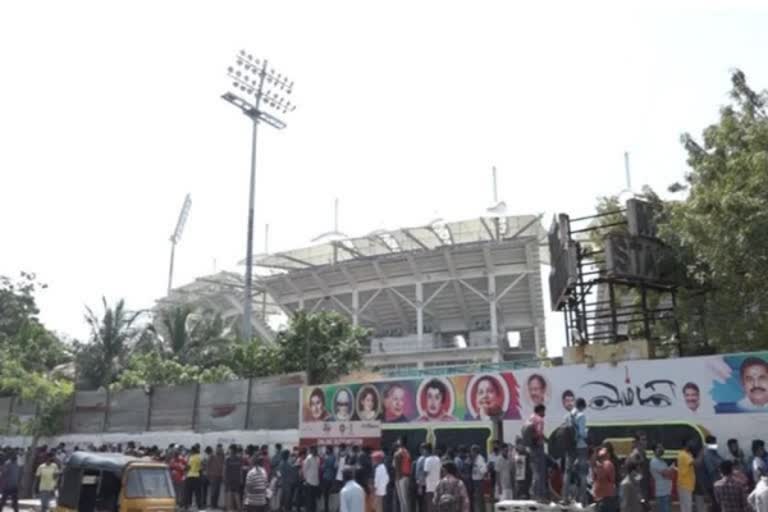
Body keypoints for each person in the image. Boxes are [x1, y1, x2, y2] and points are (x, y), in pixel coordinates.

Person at [525, 404, 547, 500]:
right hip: (538, 447)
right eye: (544, 411)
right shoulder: (539, 420)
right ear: (540, 410)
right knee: (540, 472)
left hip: (531, 448)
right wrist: (545, 440)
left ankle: (533, 493)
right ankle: (539, 495)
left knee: (534, 471)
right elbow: (539, 433)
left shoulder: (530, 418)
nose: (544, 413)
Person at [571, 398, 588, 505]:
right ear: (582, 406)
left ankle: (572, 498)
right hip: (581, 446)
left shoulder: (568, 415)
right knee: (583, 474)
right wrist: (587, 432)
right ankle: (583, 500)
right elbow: (582, 433)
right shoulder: (581, 416)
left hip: (571, 447)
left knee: (571, 474)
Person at [591, 447, 617, 512]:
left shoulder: (595, 466)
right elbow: (612, 479)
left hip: (598, 495)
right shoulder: (609, 464)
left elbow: (593, 478)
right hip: (607, 495)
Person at [650, 444, 674, 512]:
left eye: (662, 447)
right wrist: (672, 468)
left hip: (667, 491)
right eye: (659, 448)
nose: (662, 449)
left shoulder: (662, 461)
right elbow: (667, 474)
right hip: (662, 493)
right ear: (654, 451)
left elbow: (671, 476)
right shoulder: (654, 461)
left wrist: (670, 471)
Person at [677, 440, 697, 512]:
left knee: (684, 508)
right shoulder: (684, 455)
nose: (692, 445)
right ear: (687, 445)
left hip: (684, 485)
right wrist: (702, 452)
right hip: (685, 485)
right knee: (687, 508)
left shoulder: (685, 454)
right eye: (691, 444)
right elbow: (696, 463)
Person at [393, 438, 412, 512]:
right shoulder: (407, 452)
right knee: (406, 499)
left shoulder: (397, 453)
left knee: (402, 500)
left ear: (400, 443)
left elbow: (396, 466)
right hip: (407, 476)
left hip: (400, 477)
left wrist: (397, 478)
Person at [225, 445, 244, 512]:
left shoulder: (229, 459)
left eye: (230, 449)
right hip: (233, 479)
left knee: (233, 495)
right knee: (234, 494)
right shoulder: (236, 458)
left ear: (232, 450)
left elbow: (240, 470)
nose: (229, 451)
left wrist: (225, 479)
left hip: (233, 480)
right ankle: (234, 509)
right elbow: (241, 470)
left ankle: (233, 509)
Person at [424, 444, 442, 512]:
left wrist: (420, 483)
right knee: (437, 505)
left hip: (430, 486)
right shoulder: (438, 459)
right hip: (438, 485)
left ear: (426, 450)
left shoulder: (427, 460)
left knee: (430, 505)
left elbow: (426, 473)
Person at [186, 444, 204, 511]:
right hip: (197, 476)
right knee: (198, 492)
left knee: (189, 492)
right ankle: (199, 506)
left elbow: (188, 467)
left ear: (193, 451)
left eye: (191, 451)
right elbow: (202, 467)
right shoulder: (200, 457)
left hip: (190, 476)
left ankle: (189, 505)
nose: (190, 452)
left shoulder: (191, 457)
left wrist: (185, 469)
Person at [303, 446, 321, 512]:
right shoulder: (308, 458)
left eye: (316, 449)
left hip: (316, 482)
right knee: (309, 500)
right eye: (314, 449)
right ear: (311, 450)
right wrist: (305, 480)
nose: (315, 451)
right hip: (309, 482)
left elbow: (317, 469)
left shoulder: (317, 458)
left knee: (314, 500)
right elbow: (304, 470)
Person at [470, 445, 486, 512]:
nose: (471, 453)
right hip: (475, 481)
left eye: (472, 451)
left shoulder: (480, 459)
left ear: (475, 451)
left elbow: (484, 470)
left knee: (479, 499)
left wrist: (479, 470)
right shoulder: (475, 458)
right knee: (477, 499)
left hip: (479, 481)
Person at [209, 444, 225, 509]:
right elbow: (208, 464)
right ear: (216, 448)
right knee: (213, 491)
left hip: (220, 475)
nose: (219, 450)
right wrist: (209, 474)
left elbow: (223, 464)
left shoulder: (222, 456)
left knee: (217, 491)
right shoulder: (212, 455)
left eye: (220, 449)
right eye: (218, 448)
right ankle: (212, 505)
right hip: (213, 476)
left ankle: (215, 504)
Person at [321, 446, 337, 512]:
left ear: (329, 450)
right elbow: (335, 467)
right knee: (330, 494)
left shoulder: (327, 458)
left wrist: (322, 466)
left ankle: (326, 509)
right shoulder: (334, 457)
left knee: (325, 495)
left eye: (327, 450)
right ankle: (330, 508)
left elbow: (323, 468)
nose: (326, 451)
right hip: (332, 478)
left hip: (326, 477)